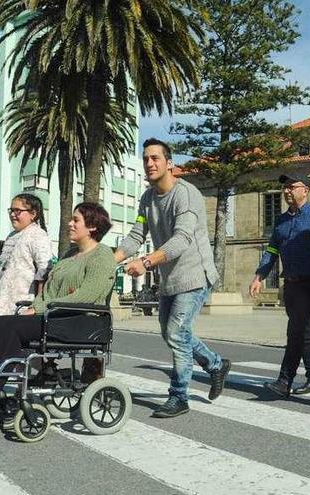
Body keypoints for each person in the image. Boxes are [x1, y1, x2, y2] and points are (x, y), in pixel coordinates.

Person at [0, 202, 116, 415]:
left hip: (81, 321)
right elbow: (48, 293)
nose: (70, 223)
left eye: (76, 220)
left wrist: (41, 308)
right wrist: (36, 306)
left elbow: (88, 295)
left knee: (11, 328)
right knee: (0, 323)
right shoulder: (68, 255)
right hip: (56, 316)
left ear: (92, 226)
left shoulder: (103, 255)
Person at [115, 138, 231, 419]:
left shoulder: (186, 194)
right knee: (171, 334)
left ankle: (179, 396)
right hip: (169, 278)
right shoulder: (147, 199)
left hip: (194, 275)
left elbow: (182, 239)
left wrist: (145, 261)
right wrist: (111, 258)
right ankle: (215, 365)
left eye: (155, 158)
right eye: (145, 159)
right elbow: (136, 235)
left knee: (177, 334)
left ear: (169, 163)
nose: (149, 163)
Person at [249, 173, 310, 396]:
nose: (287, 191)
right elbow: (271, 250)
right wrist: (260, 275)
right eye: (285, 188)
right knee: (304, 330)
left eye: (292, 187)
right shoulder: (280, 221)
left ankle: (284, 380)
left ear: (305, 190)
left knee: (296, 330)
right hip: (290, 284)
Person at [0, 193, 53, 316]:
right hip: (4, 306)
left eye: (18, 211)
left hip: (23, 307)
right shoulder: (11, 235)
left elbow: (45, 271)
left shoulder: (37, 235)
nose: (13, 214)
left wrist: (38, 306)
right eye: (11, 210)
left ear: (33, 214)